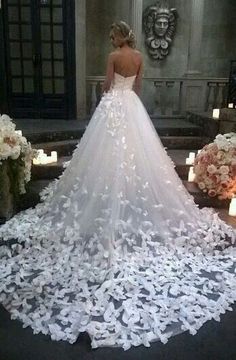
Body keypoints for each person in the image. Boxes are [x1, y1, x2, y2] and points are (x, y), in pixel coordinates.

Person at [0, 21, 236, 351]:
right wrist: (126, 102)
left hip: (112, 109)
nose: (112, 39)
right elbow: (136, 88)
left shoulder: (113, 56)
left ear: (116, 37)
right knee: (139, 155)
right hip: (133, 109)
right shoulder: (139, 57)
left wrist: (107, 101)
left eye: (112, 35)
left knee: (104, 155)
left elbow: (108, 87)